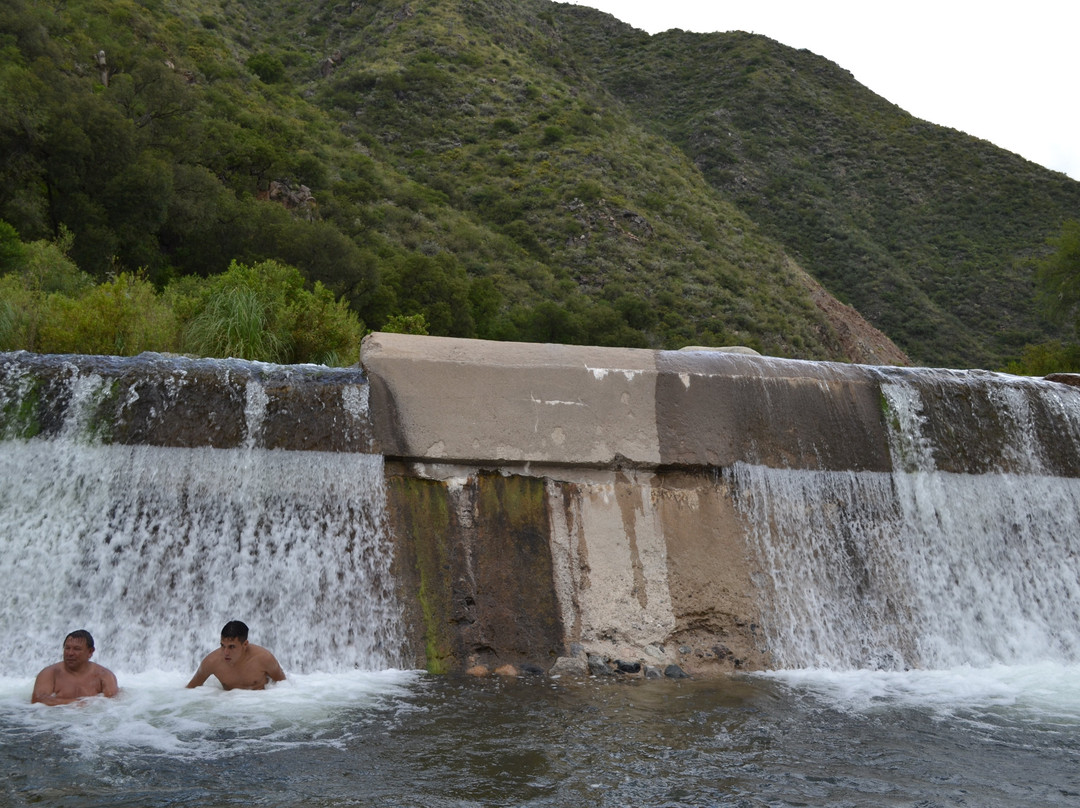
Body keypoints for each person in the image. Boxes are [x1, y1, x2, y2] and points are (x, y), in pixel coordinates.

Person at [186, 620, 286, 691]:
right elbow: (190, 690)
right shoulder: (211, 662)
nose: (225, 652)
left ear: (245, 644)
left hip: (260, 708)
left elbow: (284, 687)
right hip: (230, 710)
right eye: (222, 646)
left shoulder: (264, 658)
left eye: (231, 647)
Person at [31, 630, 119, 705]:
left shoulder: (105, 676)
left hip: (92, 722)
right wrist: (74, 703)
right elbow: (37, 700)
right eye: (67, 648)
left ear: (90, 651)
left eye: (77, 649)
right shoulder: (50, 673)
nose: (70, 653)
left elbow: (112, 706)